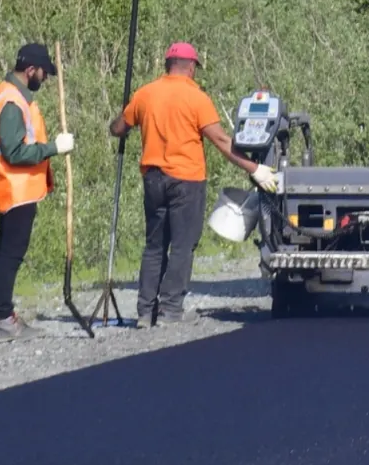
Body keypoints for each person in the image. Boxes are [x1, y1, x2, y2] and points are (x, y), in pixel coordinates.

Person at [108, 42, 277, 325]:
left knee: (154, 246)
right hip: (186, 180)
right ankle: (170, 311)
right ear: (189, 66)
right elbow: (222, 141)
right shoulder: (196, 97)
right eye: (195, 68)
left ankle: (144, 312)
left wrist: (124, 114)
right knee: (183, 246)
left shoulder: (144, 94)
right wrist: (255, 168)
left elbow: (117, 129)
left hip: (153, 179)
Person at [0, 42, 76, 343]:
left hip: (14, 188)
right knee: (9, 255)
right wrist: (54, 149)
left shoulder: (12, 95)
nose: (45, 79)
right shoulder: (11, 102)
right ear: (30, 69)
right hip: (15, 188)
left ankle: (5, 317)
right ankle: (4, 320)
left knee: (7, 253)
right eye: (43, 73)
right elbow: (13, 151)